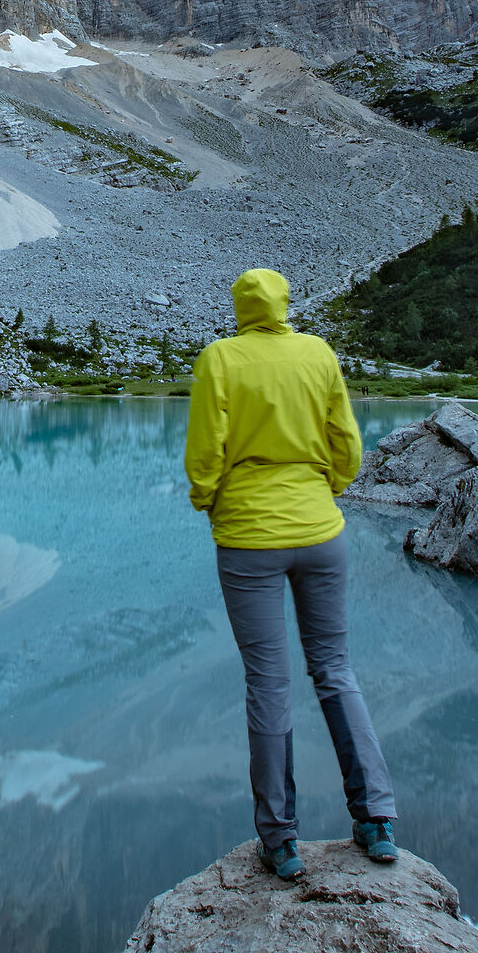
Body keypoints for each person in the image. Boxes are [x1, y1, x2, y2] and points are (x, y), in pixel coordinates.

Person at [185, 266, 397, 882]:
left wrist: (212, 500)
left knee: (269, 684)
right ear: (284, 302)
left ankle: (281, 840)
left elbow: (206, 451)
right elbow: (347, 446)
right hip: (321, 531)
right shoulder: (318, 354)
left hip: (248, 538)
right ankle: (376, 820)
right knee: (335, 669)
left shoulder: (220, 359)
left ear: (240, 306)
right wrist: (324, 488)